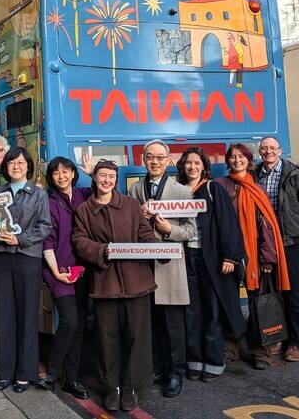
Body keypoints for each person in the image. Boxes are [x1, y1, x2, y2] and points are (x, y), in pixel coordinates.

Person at [73, 160, 159, 412]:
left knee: (136, 336)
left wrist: (161, 247)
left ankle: (131, 386)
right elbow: (79, 241)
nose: (107, 180)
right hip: (105, 283)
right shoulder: (84, 211)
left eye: (111, 176)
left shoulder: (131, 205)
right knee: (107, 338)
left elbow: (144, 235)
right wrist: (102, 251)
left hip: (136, 282)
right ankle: (113, 387)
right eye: (103, 176)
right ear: (95, 178)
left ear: (116, 179)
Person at [128, 140, 195, 398]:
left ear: (168, 160)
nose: (154, 162)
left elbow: (191, 230)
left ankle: (175, 373)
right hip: (144, 265)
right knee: (150, 324)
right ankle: (155, 368)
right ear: (143, 159)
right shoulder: (134, 190)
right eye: (149, 157)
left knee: (173, 325)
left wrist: (170, 230)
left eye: (159, 157)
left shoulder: (181, 191)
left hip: (170, 266)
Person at [216, 143, 290, 369]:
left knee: (259, 304)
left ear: (249, 161)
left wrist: (268, 258)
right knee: (228, 303)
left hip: (254, 256)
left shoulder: (257, 188)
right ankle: (230, 347)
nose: (237, 160)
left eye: (242, 157)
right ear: (228, 161)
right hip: (227, 254)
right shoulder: (219, 186)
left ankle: (261, 352)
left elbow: (266, 225)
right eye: (233, 157)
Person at [176, 148, 246, 382]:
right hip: (186, 259)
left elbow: (228, 223)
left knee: (213, 312)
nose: (192, 167)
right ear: (182, 166)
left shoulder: (212, 189)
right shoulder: (177, 192)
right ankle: (194, 361)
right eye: (188, 163)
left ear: (204, 166)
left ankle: (214, 362)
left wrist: (230, 257)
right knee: (191, 312)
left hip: (212, 260)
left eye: (197, 163)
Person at [0, 146, 51, 393]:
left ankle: (25, 373)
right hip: (0, 259)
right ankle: (4, 372)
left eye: (21, 163)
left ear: (28, 167)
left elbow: (45, 226)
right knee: (3, 316)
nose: (16, 166)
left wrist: (20, 239)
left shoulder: (38, 195)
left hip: (27, 258)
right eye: (12, 163)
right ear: (5, 167)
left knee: (26, 317)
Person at [254, 137, 299, 363]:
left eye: (272, 148)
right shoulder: (256, 174)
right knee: (271, 293)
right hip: (266, 244)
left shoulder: (294, 174)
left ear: (280, 151)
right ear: (260, 152)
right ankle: (277, 335)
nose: (268, 151)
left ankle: (297, 342)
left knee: (295, 293)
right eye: (264, 148)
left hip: (291, 243)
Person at [38, 156, 91, 400]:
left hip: (83, 270)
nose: (61, 176)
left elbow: (106, 191)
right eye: (56, 172)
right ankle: (53, 371)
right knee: (69, 321)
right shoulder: (49, 202)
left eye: (66, 171)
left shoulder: (84, 194)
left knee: (78, 325)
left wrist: (91, 172)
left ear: (73, 174)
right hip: (58, 270)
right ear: (51, 177)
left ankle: (72, 379)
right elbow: (47, 240)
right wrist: (56, 270)